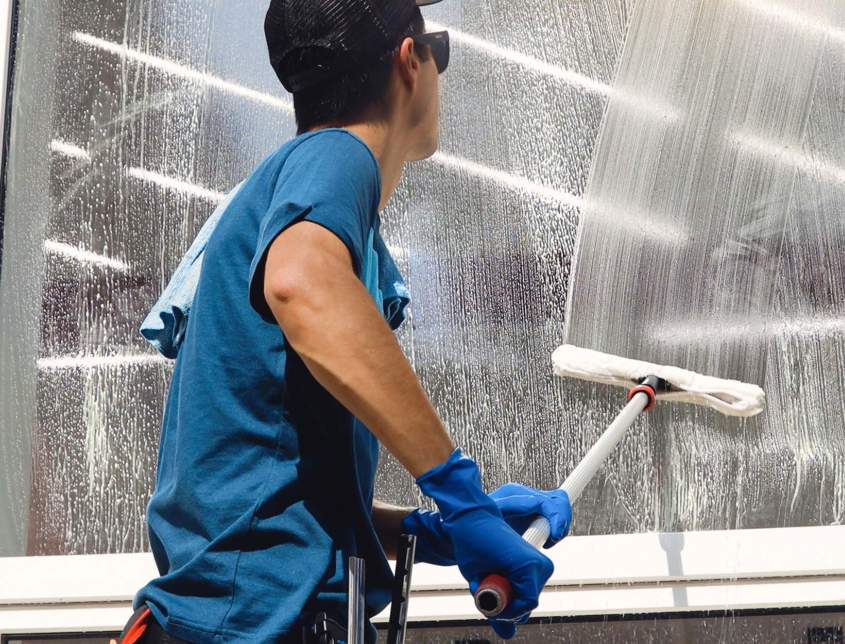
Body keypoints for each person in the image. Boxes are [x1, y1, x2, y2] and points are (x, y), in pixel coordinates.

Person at [125, 0, 572, 642]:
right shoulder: (335, 156)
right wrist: (459, 492)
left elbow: (266, 493)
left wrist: (421, 527)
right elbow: (300, 283)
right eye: (437, 50)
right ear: (409, 62)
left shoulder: (292, 192)